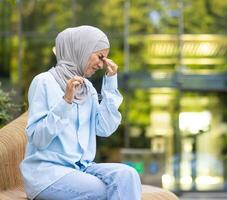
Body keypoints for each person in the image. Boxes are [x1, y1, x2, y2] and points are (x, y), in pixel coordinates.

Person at [20, 25, 141, 200]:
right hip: (47, 174)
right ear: (81, 50)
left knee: (127, 175)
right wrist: (65, 101)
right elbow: (38, 139)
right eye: (100, 57)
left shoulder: (87, 88)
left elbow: (105, 129)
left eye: (105, 59)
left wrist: (111, 82)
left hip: (80, 168)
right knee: (102, 190)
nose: (102, 64)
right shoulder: (44, 82)